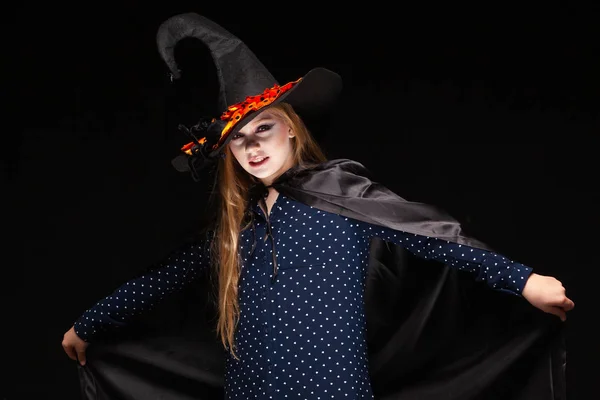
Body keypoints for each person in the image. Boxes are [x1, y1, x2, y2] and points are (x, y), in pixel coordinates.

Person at [62, 12, 575, 400]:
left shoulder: (341, 195)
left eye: (264, 129)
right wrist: (89, 324)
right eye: (239, 139)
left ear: (291, 127)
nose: (253, 147)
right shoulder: (236, 225)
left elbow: (435, 237)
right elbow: (164, 278)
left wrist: (523, 280)